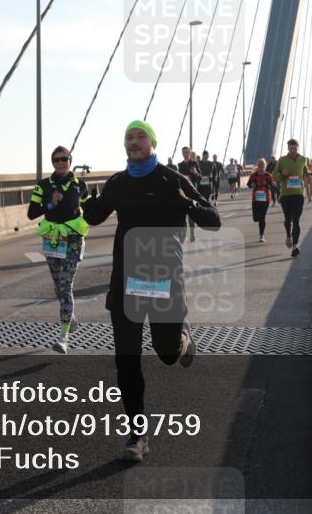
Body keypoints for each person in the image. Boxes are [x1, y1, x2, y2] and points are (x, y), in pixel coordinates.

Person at [82, 120, 220, 463]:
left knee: (167, 352)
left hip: (163, 277)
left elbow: (213, 219)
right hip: (126, 279)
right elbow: (96, 216)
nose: (133, 141)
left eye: (139, 135)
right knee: (126, 359)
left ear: (152, 142)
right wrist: (84, 198)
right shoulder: (117, 182)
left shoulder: (172, 179)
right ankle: (137, 435)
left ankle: (183, 339)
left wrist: (186, 203)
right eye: (128, 136)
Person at [27, 146, 89, 353]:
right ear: (52, 162)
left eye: (64, 159)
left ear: (70, 160)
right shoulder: (43, 185)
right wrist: (51, 204)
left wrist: (99, 202)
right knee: (58, 287)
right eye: (56, 160)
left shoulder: (80, 185)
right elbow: (31, 213)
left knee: (65, 285)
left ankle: (63, 337)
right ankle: (71, 319)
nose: (61, 162)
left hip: (73, 239)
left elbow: (90, 209)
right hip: (53, 240)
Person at [272, 139, 311, 257]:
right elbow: (274, 176)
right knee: (288, 219)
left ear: (297, 148)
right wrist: (282, 174)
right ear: (288, 148)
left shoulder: (303, 159)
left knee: (296, 221)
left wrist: (308, 177)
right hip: (285, 195)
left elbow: (305, 173)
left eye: (294, 148)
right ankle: (288, 236)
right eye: (290, 148)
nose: (292, 151)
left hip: (299, 194)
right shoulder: (282, 160)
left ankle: (295, 246)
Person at [247, 158, 276, 242]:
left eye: (262, 164)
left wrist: (273, 184)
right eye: (259, 164)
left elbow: (272, 185)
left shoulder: (268, 175)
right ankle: (259, 221)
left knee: (262, 217)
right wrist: (251, 185)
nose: (261, 166)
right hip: (255, 198)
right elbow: (248, 184)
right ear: (257, 165)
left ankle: (261, 235)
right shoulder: (254, 175)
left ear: (265, 165)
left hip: (265, 198)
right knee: (256, 218)